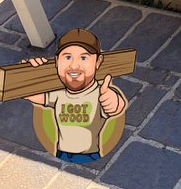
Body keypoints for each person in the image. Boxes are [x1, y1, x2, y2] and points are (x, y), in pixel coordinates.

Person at [23, 27, 128, 163]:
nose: (74, 65)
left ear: (98, 62)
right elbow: (30, 94)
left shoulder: (99, 93)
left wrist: (114, 101)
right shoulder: (59, 93)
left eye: (83, 57)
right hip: (61, 153)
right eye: (67, 57)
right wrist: (28, 73)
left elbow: (115, 106)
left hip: (89, 155)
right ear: (57, 61)